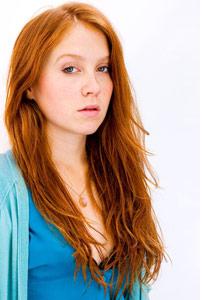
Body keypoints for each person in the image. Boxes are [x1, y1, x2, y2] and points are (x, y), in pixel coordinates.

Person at [0, 2, 164, 299]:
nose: (93, 86)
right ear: (29, 85)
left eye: (103, 68)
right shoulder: (6, 189)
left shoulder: (121, 173)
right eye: (70, 69)